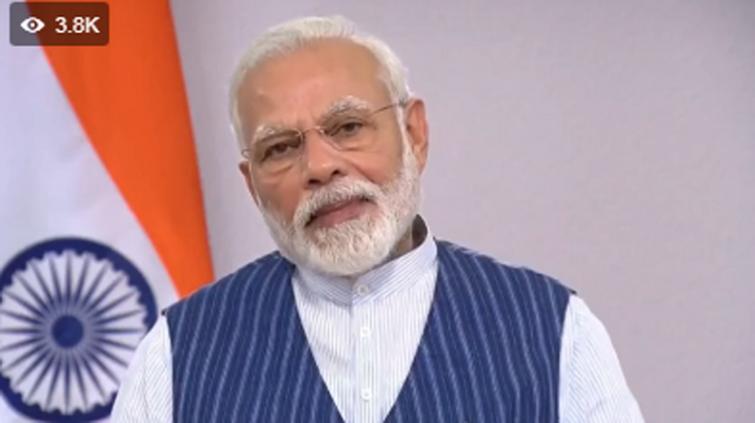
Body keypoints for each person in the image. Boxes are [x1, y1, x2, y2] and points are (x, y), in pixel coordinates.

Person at [112, 15, 644, 423]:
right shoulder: (178, 352)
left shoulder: (551, 326)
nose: (320, 167)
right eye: (280, 148)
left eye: (347, 126)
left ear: (415, 134)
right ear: (252, 185)